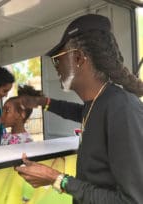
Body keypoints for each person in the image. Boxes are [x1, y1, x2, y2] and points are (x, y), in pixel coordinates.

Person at [15, 14, 143, 204]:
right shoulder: (96, 103)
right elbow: (75, 111)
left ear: (78, 58)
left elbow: (132, 201)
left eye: (57, 60)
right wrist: (43, 102)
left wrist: (58, 179)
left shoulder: (122, 108)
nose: (56, 68)